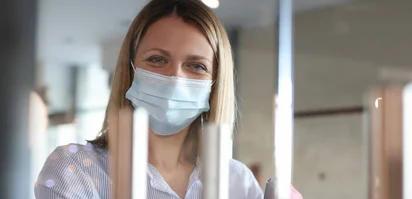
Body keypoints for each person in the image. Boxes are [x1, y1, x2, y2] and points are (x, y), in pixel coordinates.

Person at [35, 0, 264, 198]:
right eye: (157, 59)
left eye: (196, 66)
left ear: (216, 82)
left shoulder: (237, 181)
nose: (175, 78)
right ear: (131, 68)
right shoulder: (75, 168)